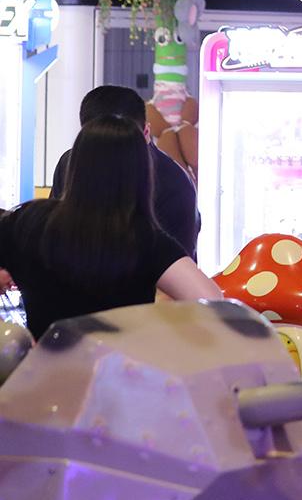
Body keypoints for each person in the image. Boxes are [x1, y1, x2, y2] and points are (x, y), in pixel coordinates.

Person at [0, 115, 222, 338]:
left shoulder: (30, 221)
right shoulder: (146, 240)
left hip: (44, 357)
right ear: (142, 173)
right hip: (119, 359)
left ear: (75, 164)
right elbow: (213, 303)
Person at [51, 84, 199, 258]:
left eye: (125, 141)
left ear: (146, 132)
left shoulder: (175, 184)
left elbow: (179, 261)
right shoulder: (68, 165)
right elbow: (54, 237)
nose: (113, 155)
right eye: (100, 141)